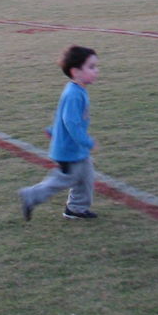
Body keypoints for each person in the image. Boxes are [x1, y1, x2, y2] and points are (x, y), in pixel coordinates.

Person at [19, 45, 100, 221]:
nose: (96, 71)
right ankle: (31, 195)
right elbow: (70, 122)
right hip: (69, 149)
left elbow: (60, 114)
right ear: (76, 71)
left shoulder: (77, 90)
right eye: (91, 67)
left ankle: (76, 208)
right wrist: (86, 141)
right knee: (66, 179)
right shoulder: (73, 94)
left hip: (75, 148)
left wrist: (53, 129)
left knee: (86, 175)